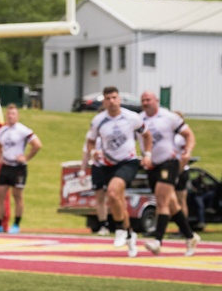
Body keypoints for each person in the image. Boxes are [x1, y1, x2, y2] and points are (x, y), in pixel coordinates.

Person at [84, 86, 145, 258]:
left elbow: (146, 135)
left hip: (128, 161)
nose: (111, 101)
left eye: (114, 98)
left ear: (119, 99)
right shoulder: (98, 120)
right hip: (107, 163)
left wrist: (146, 153)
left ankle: (119, 229)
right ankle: (129, 233)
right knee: (117, 200)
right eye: (108, 98)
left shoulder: (132, 117)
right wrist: (94, 152)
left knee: (112, 192)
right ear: (103, 101)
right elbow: (90, 141)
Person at [138, 91, 199, 256]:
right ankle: (190, 236)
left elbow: (189, 134)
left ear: (156, 101)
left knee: (161, 200)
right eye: (143, 100)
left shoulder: (169, 117)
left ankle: (158, 241)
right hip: (152, 164)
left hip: (169, 161)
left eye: (148, 99)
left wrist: (188, 150)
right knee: (172, 204)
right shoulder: (139, 119)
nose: (145, 102)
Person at [0, 105, 42, 234]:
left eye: (13, 114)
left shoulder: (23, 130)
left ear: (17, 116)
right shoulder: (2, 130)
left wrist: (26, 157)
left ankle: (16, 224)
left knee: (17, 195)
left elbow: (37, 145)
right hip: (6, 166)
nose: (10, 116)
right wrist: (1, 157)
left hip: (18, 168)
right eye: (9, 114)